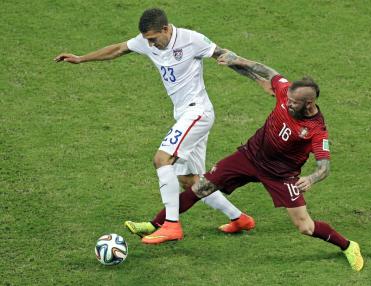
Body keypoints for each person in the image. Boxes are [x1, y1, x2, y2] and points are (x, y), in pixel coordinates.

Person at [139, 52, 364, 271]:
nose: (287, 103)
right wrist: (237, 61)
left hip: (281, 175)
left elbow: (324, 166)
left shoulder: (316, 130)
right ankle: (156, 224)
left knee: (305, 227)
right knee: (201, 187)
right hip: (249, 156)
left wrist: (312, 178)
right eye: (288, 98)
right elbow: (268, 72)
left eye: (294, 103)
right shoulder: (287, 91)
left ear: (309, 103)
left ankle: (348, 246)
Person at [54, 8, 255, 244]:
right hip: (184, 114)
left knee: (162, 159)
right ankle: (239, 218)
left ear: (166, 29)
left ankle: (171, 226)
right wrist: (81, 58)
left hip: (197, 111)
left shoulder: (192, 40)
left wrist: (263, 78)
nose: (150, 44)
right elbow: (119, 48)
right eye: (146, 39)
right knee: (190, 180)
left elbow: (226, 55)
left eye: (153, 38)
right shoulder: (146, 41)